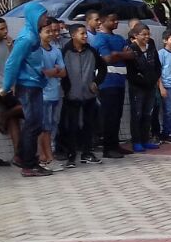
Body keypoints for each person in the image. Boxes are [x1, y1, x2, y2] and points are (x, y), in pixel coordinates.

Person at [1, 2, 50, 176]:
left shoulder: (33, 35)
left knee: (34, 124)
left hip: (34, 84)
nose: (45, 17)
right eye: (43, 15)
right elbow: (12, 63)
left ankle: (22, 157)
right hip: (28, 86)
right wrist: (6, 86)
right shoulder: (27, 37)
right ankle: (29, 165)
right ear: (34, 16)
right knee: (33, 124)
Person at [59, 23, 105, 167]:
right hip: (71, 96)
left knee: (88, 125)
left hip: (89, 95)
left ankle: (87, 153)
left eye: (86, 33)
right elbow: (61, 73)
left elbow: (103, 68)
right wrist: (67, 89)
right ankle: (71, 156)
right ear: (73, 35)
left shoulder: (91, 51)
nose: (85, 36)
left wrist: (96, 82)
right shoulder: (64, 52)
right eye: (82, 33)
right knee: (71, 126)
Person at [90, 12, 133, 159]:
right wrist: (121, 54)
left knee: (117, 115)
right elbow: (107, 58)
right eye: (112, 20)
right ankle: (108, 148)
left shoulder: (119, 38)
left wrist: (117, 54)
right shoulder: (100, 38)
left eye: (117, 19)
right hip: (107, 82)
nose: (116, 22)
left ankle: (115, 145)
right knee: (109, 115)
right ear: (102, 21)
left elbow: (131, 54)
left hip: (119, 81)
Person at [0, 17, 20, 166]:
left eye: (6, 28)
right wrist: (6, 86)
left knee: (14, 116)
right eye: (1, 29)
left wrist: (11, 48)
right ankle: (3, 115)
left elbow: (13, 64)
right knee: (25, 108)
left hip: (13, 87)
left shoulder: (8, 44)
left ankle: (18, 155)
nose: (5, 31)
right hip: (0, 88)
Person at [125, 23, 162, 153]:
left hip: (151, 85)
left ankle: (146, 139)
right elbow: (131, 72)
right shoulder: (131, 49)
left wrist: (154, 78)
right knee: (137, 114)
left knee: (148, 113)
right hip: (137, 87)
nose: (147, 37)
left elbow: (157, 65)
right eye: (144, 34)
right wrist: (142, 81)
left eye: (148, 34)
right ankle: (137, 141)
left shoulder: (151, 46)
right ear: (136, 35)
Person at [38, 21, 67, 170]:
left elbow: (63, 72)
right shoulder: (36, 51)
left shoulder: (56, 50)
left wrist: (53, 72)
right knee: (44, 127)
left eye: (52, 31)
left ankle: (49, 155)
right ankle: (45, 157)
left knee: (52, 125)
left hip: (55, 94)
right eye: (47, 32)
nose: (50, 34)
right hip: (42, 95)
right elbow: (41, 73)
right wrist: (54, 71)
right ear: (39, 33)